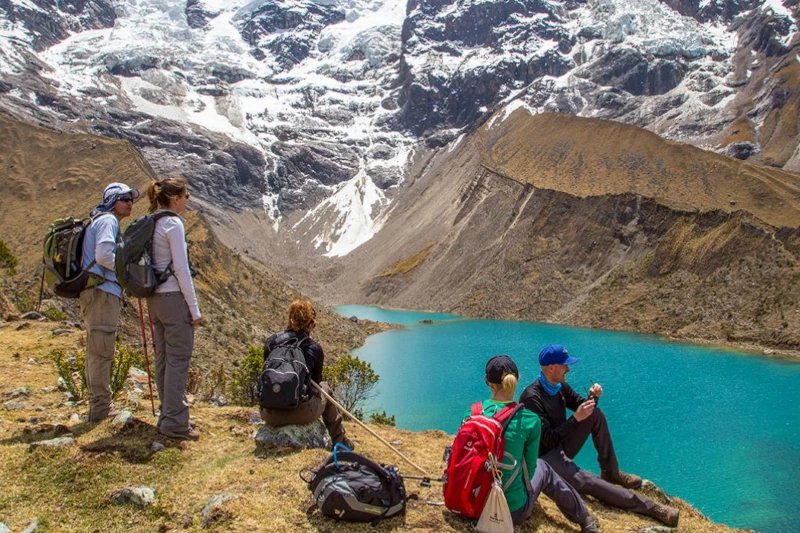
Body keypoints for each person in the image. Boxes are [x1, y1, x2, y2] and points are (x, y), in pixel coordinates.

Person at [519, 344, 679, 527]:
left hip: (560, 445)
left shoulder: (559, 386)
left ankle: (611, 472)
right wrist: (576, 418)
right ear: (551, 367)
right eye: (564, 365)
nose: (568, 369)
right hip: (544, 458)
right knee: (587, 481)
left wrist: (593, 397)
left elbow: (583, 407)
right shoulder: (531, 398)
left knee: (595, 414)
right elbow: (548, 440)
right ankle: (652, 508)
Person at [471, 355, 598, 532]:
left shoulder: (473, 413)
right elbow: (530, 471)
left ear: (490, 384)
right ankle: (584, 518)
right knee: (543, 467)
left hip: (470, 504)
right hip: (509, 512)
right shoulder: (529, 420)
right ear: (515, 381)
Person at [145, 177, 202, 440]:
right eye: (186, 196)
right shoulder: (173, 224)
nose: (188, 201)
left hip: (154, 299)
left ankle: (167, 415)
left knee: (163, 358)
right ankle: (176, 423)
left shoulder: (152, 222)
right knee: (178, 359)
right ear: (176, 198)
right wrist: (194, 309)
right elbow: (181, 269)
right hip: (173, 298)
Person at [79, 182, 137, 421]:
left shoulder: (102, 220)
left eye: (131, 199)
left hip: (97, 292)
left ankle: (98, 403)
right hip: (102, 293)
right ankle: (101, 407)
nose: (130, 203)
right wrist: (126, 272)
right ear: (112, 201)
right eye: (124, 199)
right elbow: (104, 256)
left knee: (97, 347)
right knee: (102, 349)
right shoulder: (108, 221)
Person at [261, 300, 353, 449]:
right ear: (309, 324)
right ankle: (340, 442)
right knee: (325, 388)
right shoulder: (313, 348)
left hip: (269, 414)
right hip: (301, 413)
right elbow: (316, 382)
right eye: (313, 324)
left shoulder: (272, 342)